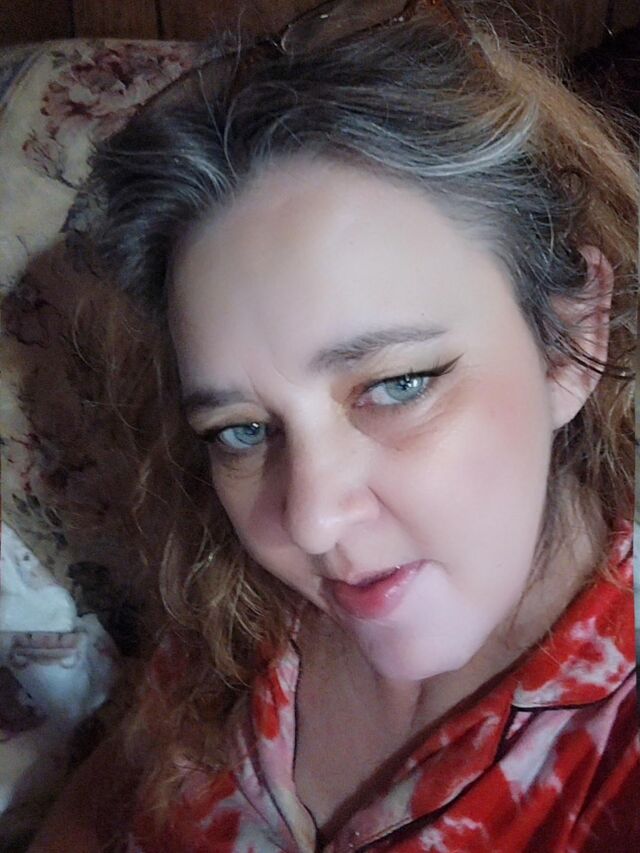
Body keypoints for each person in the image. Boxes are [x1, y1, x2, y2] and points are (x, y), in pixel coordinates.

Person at [28, 1, 637, 850]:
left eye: (397, 384)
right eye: (242, 429)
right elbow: (100, 806)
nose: (309, 521)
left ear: (574, 335)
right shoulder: (234, 603)